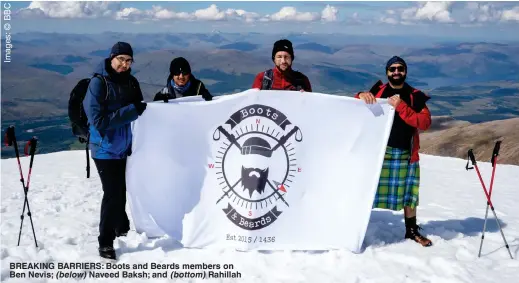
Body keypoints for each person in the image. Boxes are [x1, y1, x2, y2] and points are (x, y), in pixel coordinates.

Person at [355, 56, 433, 247]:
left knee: (409, 193)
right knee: (367, 190)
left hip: (405, 153)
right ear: (387, 72)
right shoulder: (379, 91)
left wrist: (402, 107)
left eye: (400, 68)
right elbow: (355, 106)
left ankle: (412, 231)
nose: (396, 72)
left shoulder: (415, 95)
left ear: (405, 71)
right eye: (392, 69)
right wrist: (360, 95)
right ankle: (357, 229)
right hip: (379, 152)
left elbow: (424, 123)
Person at [83, 41, 147, 260]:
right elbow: (98, 121)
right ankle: (105, 242)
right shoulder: (98, 83)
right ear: (111, 58)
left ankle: (121, 226)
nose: (125, 64)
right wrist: (131, 111)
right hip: (104, 149)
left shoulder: (130, 81)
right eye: (121, 59)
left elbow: (141, 107)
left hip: (123, 147)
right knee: (112, 194)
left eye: (129, 61)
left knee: (121, 191)